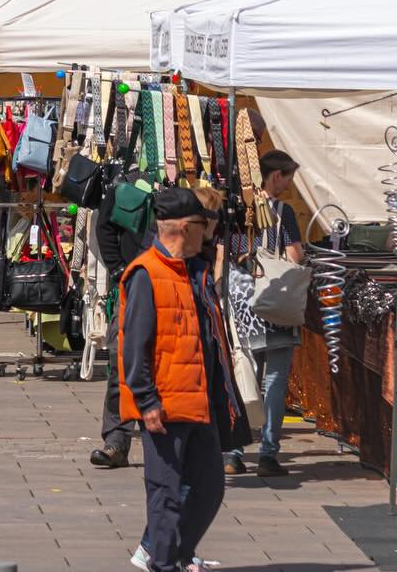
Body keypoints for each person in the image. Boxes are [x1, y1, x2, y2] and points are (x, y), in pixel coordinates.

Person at [119, 186, 246, 572]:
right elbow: (134, 346)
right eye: (202, 226)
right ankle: (162, 562)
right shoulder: (147, 273)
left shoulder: (194, 271)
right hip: (164, 404)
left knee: (208, 487)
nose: (207, 233)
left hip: (199, 399)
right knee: (166, 492)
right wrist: (146, 401)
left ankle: (179, 553)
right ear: (183, 228)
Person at [225, 150, 305, 479]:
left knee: (245, 373)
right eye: (288, 178)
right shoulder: (281, 212)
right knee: (275, 378)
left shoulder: (235, 208)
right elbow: (294, 256)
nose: (289, 185)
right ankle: (268, 454)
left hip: (242, 300)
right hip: (275, 300)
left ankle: (234, 451)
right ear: (275, 176)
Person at [90, 172, 155, 469]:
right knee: (120, 361)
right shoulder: (126, 179)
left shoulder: (190, 172)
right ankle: (116, 440)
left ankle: (164, 442)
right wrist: (117, 269)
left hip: (173, 285)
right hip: (132, 286)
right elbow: (103, 227)